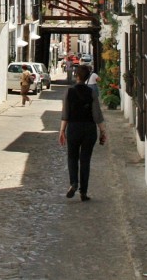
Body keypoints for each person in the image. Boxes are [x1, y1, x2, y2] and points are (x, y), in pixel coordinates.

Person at [58, 65, 107, 201]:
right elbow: (97, 114)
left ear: (76, 76)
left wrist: (62, 131)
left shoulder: (69, 92)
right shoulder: (91, 92)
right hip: (89, 129)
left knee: (72, 157)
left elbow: (65, 114)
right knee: (85, 160)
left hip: (74, 128)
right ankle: (83, 192)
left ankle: (74, 182)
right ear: (87, 78)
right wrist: (103, 131)